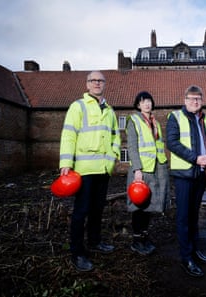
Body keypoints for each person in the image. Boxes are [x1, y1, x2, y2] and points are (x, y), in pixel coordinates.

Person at [59, 71, 121, 272]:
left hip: (103, 169)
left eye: (100, 80)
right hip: (84, 170)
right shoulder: (78, 106)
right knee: (81, 212)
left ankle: (95, 242)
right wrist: (65, 162)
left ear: (105, 84)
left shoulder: (110, 110)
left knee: (97, 210)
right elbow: (68, 134)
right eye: (93, 80)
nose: (97, 83)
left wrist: (112, 160)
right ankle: (77, 252)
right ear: (87, 84)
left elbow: (115, 137)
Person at [166, 85, 206, 277]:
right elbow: (172, 143)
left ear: (201, 101)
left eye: (198, 99)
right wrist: (196, 158)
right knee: (183, 217)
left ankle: (195, 249)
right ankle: (186, 257)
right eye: (191, 98)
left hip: (202, 174)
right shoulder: (175, 117)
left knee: (194, 214)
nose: (195, 102)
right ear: (185, 99)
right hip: (184, 175)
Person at [126, 91, 170, 256]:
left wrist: (162, 167)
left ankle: (145, 238)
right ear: (138, 105)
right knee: (139, 206)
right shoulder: (134, 121)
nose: (147, 104)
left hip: (155, 169)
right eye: (143, 102)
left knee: (148, 206)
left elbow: (158, 147)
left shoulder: (155, 123)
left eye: (149, 101)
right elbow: (131, 146)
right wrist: (137, 169)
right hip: (141, 170)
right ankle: (137, 241)